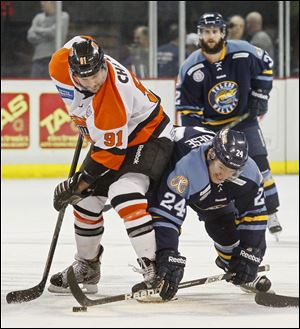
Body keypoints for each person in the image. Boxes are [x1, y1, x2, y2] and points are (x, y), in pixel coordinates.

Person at [47, 35, 174, 294]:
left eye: (98, 72)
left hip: (149, 136)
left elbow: (110, 154)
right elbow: (81, 40)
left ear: (103, 62)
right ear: (72, 71)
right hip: (114, 136)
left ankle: (154, 269)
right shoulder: (58, 63)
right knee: (84, 201)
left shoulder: (113, 95)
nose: (94, 81)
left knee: (123, 194)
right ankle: (88, 266)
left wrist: (77, 184)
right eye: (86, 77)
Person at [175, 12, 282, 237]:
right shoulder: (191, 67)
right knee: (219, 172)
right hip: (212, 127)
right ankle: (231, 213)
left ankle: (271, 211)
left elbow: (267, 63)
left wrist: (260, 95)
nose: (210, 36)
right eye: (206, 32)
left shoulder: (243, 51)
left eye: (214, 31)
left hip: (244, 122)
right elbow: (187, 110)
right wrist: (198, 135)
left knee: (261, 164)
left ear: (222, 33)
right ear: (199, 35)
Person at [149, 126, 272, 301]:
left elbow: (255, 215)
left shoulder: (250, 173)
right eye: (222, 167)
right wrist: (167, 253)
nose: (225, 175)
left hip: (202, 183)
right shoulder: (187, 166)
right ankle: (154, 273)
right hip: (163, 167)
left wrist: (251, 254)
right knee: (147, 220)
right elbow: (166, 215)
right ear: (212, 154)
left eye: (233, 171)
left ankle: (233, 266)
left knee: (223, 226)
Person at [27, 1, 69, 78]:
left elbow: (53, 33)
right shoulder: (38, 17)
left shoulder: (63, 16)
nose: (42, 3)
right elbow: (30, 36)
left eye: (45, 1)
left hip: (54, 59)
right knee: (34, 85)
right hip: (38, 61)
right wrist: (46, 35)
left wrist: (37, 29)